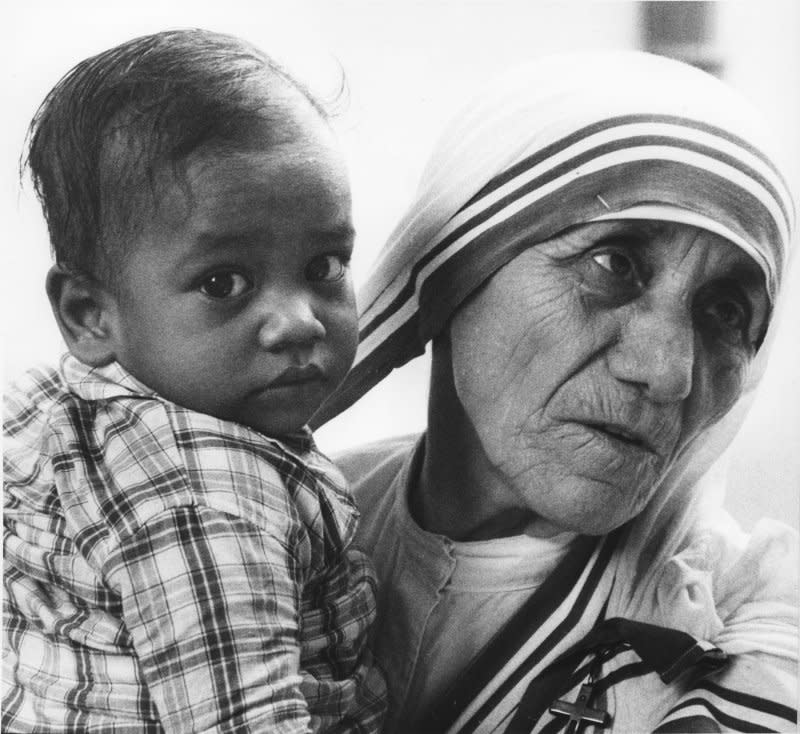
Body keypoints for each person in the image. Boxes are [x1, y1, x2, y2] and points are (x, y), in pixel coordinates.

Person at [312, 51, 798, 733]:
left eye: (725, 313)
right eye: (615, 263)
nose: (668, 372)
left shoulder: (751, 621)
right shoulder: (277, 540)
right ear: (457, 269)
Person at [2, 29, 386, 733]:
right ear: (91, 316)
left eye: (325, 264)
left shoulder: (69, 412)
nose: (298, 321)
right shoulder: (206, 493)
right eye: (224, 282)